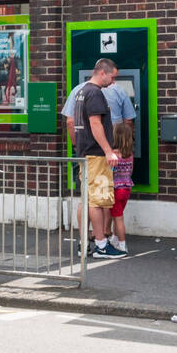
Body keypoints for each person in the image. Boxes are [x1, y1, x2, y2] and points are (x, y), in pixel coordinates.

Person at [72, 58, 125, 259]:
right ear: (103, 72)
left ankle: (83, 242)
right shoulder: (95, 93)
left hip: (85, 152)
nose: (112, 81)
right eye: (112, 77)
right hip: (96, 154)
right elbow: (96, 124)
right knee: (96, 200)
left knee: (85, 199)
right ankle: (102, 245)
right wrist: (108, 150)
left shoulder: (81, 91)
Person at [107, 120, 135, 254]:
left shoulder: (112, 155)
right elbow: (130, 172)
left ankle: (122, 245)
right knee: (117, 215)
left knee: (118, 218)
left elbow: (109, 172)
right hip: (127, 188)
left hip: (116, 189)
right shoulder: (130, 155)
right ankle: (114, 238)